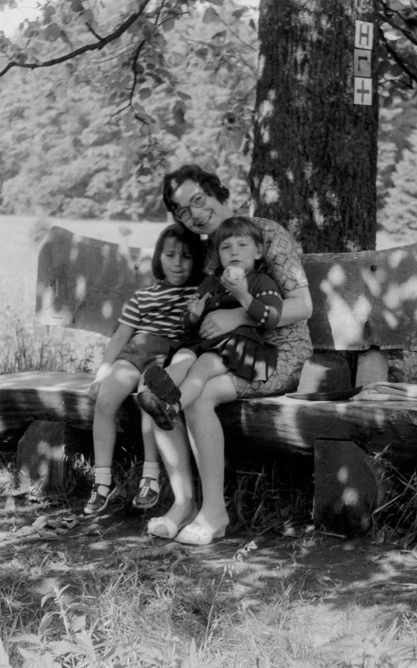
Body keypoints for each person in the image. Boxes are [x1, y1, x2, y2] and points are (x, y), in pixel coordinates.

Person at [142, 165, 313, 544]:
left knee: (198, 394)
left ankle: (214, 513)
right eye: (183, 210)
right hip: (222, 352)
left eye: (199, 200)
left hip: (275, 353)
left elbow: (303, 307)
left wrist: (235, 313)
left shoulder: (265, 233)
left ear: (219, 193)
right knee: (160, 386)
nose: (195, 213)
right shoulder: (207, 253)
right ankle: (183, 503)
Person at [82, 223, 206, 515]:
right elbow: (120, 338)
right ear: (159, 258)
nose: (177, 263)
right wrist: (102, 373)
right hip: (134, 354)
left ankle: (150, 476)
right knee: (105, 400)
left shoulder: (198, 294)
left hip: (165, 358)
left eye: (187, 256)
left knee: (147, 398)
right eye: (171, 255)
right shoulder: (142, 297)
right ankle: (102, 481)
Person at [136, 216, 283, 431]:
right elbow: (186, 325)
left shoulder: (261, 282)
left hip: (236, 347)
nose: (234, 252)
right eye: (226, 247)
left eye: (242, 245)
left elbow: (271, 318)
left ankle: (173, 407)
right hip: (202, 342)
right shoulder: (211, 283)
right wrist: (193, 315)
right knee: (182, 359)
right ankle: (153, 396)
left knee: (201, 368)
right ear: (219, 255)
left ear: (258, 252)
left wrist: (242, 295)